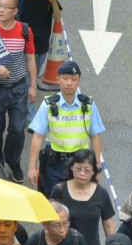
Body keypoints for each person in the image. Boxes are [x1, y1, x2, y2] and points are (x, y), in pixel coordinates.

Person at [28, 59, 105, 197]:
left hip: (81, 164)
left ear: (79, 80)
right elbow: (38, 136)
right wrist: (32, 167)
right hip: (55, 165)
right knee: (52, 205)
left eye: (74, 79)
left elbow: (95, 136)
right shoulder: (48, 105)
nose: (69, 83)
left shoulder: (88, 105)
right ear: (58, 79)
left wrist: (97, 167)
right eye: (65, 78)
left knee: (80, 203)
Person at [0, 0, 36, 183]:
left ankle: (13, 161)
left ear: (15, 11)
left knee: (17, 129)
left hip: (18, 88)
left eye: (6, 7)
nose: (1, 9)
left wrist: (33, 86)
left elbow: (30, 58)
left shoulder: (24, 30)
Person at [50, 149, 115, 245]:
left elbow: (108, 225)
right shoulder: (59, 190)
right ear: (71, 167)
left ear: (93, 172)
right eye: (78, 168)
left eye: (87, 170)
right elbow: (49, 222)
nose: (82, 173)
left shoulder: (101, 194)